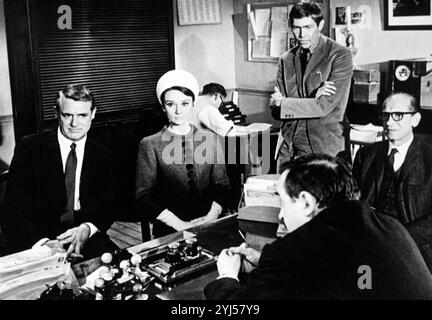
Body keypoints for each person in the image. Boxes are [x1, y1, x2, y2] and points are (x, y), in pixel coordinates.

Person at [204, 153, 432, 299]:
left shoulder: (297, 249)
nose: (280, 215)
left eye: (282, 202)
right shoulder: (387, 225)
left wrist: (227, 275)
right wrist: (264, 260)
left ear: (306, 203)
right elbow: (337, 273)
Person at [1, 84, 118, 260]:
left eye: (82, 115)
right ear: (56, 113)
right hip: (38, 237)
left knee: (119, 273)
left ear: (93, 114)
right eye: (67, 115)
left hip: (83, 235)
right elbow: (13, 208)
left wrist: (87, 228)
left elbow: (108, 206)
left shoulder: (103, 154)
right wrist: (43, 245)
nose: (74, 123)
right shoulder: (29, 148)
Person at [136, 70, 231, 238]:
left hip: (210, 224)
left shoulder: (210, 139)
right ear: (163, 106)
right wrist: (180, 225)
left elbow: (222, 186)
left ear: (193, 104)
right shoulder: (149, 144)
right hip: (170, 230)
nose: (178, 111)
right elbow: (144, 196)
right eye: (171, 104)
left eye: (185, 103)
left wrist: (210, 217)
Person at [353, 92, 432, 272]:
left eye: (398, 115)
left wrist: (397, 240)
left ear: (415, 119)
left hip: (415, 251)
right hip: (369, 247)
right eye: (385, 115)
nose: (389, 122)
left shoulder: (429, 159)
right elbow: (353, 204)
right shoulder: (365, 155)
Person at [270, 2, 353, 172]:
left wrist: (284, 103)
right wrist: (312, 98)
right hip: (288, 144)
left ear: (320, 25)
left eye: (308, 27)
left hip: (321, 145)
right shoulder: (285, 59)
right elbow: (275, 110)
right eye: (296, 27)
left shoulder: (339, 55)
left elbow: (323, 106)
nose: (302, 34)